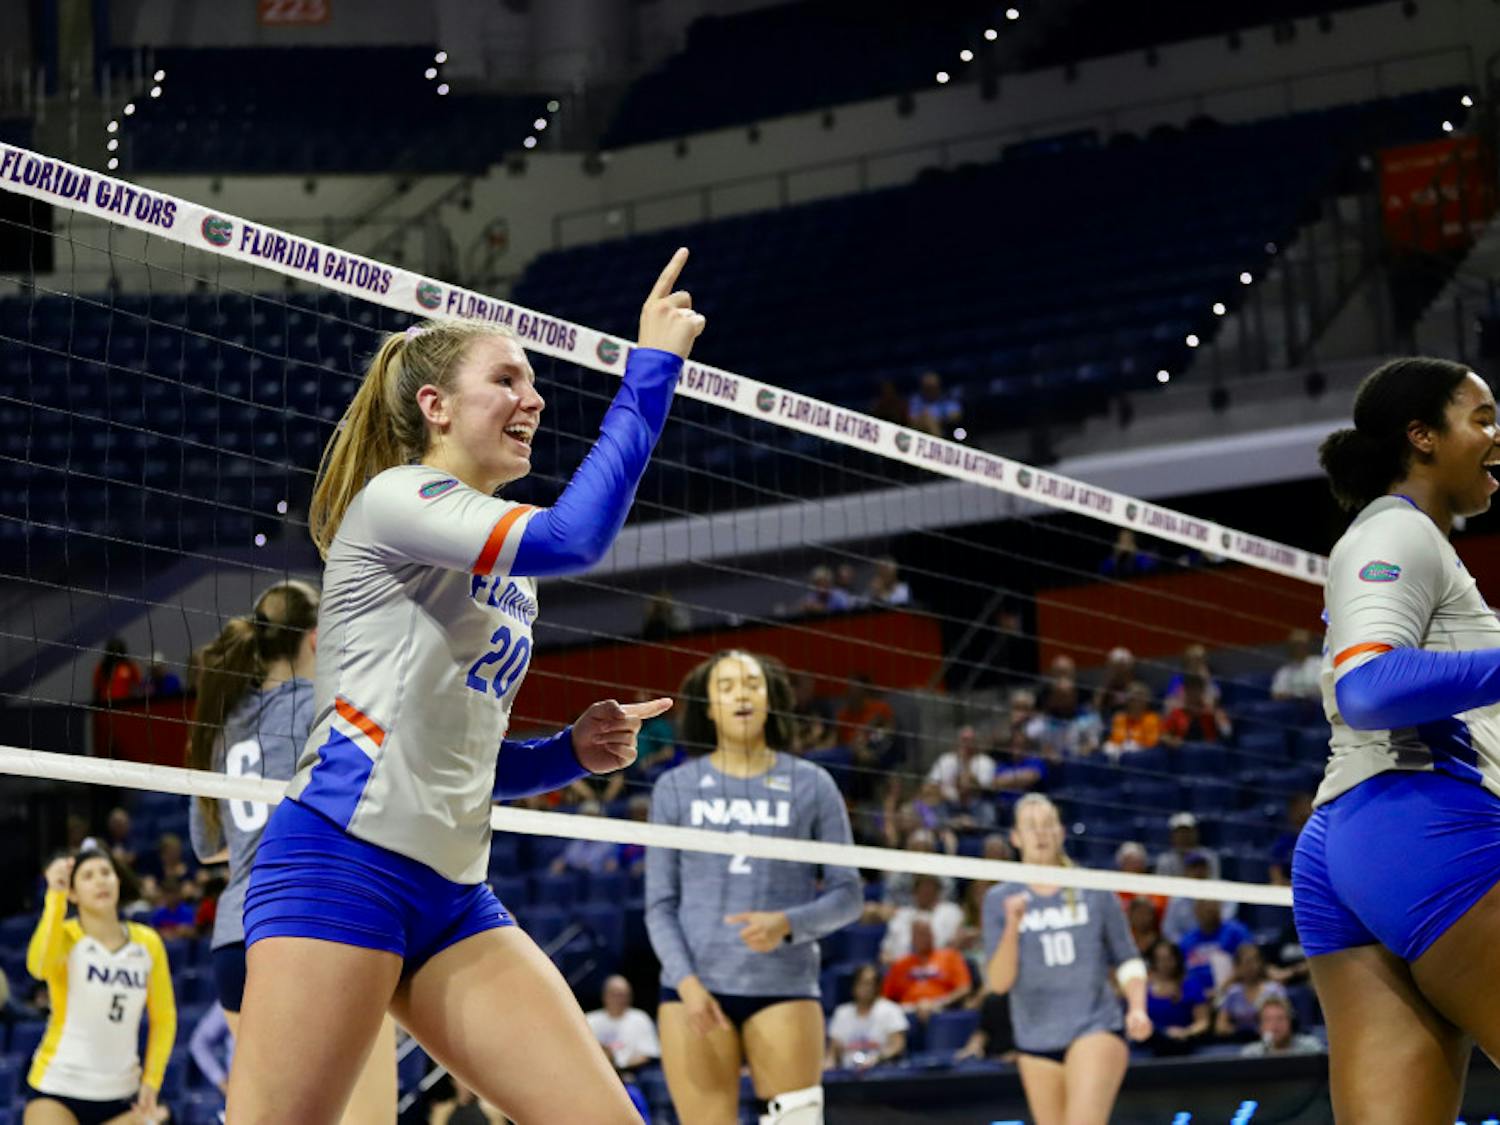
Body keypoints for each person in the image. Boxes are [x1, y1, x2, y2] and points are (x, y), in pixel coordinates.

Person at [226, 249, 704, 1125]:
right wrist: (651, 368)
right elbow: (577, 536)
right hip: (342, 862)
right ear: (435, 407)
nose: (534, 399)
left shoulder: (505, 571)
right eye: (508, 379)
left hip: (453, 894)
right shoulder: (398, 499)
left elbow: (463, 757)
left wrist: (568, 751)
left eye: (534, 383)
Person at [1293, 356, 1500, 1121]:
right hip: (1423, 823)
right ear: (1422, 437)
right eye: (1479, 417)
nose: (1495, 434)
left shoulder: (1413, 543)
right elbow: (1370, 687)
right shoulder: (1395, 531)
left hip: (1348, 845)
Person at [187, 579, 399, 1123]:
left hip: (236, 943)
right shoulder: (329, 709)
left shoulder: (223, 724)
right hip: (315, 928)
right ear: (316, 638)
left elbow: (206, 845)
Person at [647, 649, 862, 1125]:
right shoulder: (675, 789)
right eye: (725, 686)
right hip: (694, 992)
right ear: (707, 705)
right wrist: (687, 983)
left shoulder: (813, 784)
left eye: (752, 684)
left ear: (770, 698)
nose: (740, 694)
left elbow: (849, 894)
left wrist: (790, 923)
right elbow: (660, 905)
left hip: (783, 985)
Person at [983, 794, 1151, 1125]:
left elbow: (1127, 957)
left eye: (1047, 824)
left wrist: (1137, 1007)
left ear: (1061, 832)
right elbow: (999, 983)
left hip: (1094, 1026)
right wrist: (1012, 925)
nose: (1040, 833)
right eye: (1030, 827)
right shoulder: (999, 899)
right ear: (1015, 837)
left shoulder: (1094, 887)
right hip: (1035, 1040)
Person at [25, 848, 176, 1124]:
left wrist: (152, 1081)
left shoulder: (148, 943)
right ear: (74, 893)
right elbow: (38, 966)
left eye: (106, 873)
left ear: (118, 882)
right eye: (88, 876)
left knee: (162, 1116)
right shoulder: (66, 936)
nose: (100, 881)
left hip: (122, 1093)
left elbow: (164, 1019)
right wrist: (55, 896)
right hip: (57, 1087)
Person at [880, 917, 972, 1021]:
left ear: (932, 935)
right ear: (912, 938)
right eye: (918, 934)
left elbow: (964, 989)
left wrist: (939, 1003)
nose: (922, 938)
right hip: (907, 1013)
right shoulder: (900, 964)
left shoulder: (950, 956)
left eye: (925, 933)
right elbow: (885, 997)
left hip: (942, 1011)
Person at [825, 964, 907, 1071]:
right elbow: (833, 1051)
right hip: (848, 1073)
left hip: (881, 1072)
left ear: (878, 986)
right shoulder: (842, 1013)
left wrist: (877, 1058)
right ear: (854, 986)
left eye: (871, 984)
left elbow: (897, 1045)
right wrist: (828, 1065)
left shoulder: (891, 1010)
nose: (867, 988)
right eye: (863, 983)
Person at [1143, 939, 1210, 1056]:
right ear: (1153, 962)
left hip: (1185, 1045)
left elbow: (1203, 1022)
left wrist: (1186, 1032)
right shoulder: (1143, 989)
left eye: (1169, 959)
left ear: (1177, 960)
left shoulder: (1191, 986)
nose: (1165, 963)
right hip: (1150, 1045)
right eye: (1160, 959)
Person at [585, 976, 660, 1076]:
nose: (618, 999)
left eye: (622, 995)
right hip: (595, 1073)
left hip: (631, 1073)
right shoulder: (589, 1020)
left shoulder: (640, 1018)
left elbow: (647, 1054)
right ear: (604, 995)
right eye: (614, 994)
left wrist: (618, 1067)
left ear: (630, 997)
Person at [880, 874, 964, 963]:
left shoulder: (951, 911)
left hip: (938, 966)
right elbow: (885, 952)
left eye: (931, 889)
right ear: (915, 892)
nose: (926, 892)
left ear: (938, 891)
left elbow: (956, 942)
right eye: (922, 888)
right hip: (901, 966)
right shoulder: (902, 915)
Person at [1215, 943, 1287, 1042]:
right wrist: (1242, 1033)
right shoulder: (1233, 992)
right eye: (1247, 962)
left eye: (1255, 961)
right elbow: (1220, 1026)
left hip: (1271, 1039)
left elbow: (1284, 1021)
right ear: (1237, 967)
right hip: (1239, 1041)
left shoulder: (1274, 989)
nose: (1252, 966)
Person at [926, 725, 996, 802]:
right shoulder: (945, 759)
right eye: (964, 739)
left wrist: (965, 763)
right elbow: (931, 785)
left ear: (976, 742)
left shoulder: (985, 762)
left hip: (976, 803)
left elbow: (981, 789)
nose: (967, 743)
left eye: (970, 740)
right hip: (946, 802)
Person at [1239, 995, 1323, 1058]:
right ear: (1260, 1026)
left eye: (1280, 1018)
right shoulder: (1250, 1054)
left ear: (1291, 1022)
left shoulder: (1310, 1048)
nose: (1274, 1024)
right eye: (1268, 1020)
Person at [1160, 674, 1232, 746]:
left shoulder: (1212, 712)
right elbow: (1163, 735)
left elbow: (1227, 734)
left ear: (1202, 691)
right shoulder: (1177, 714)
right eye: (1189, 689)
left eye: (1196, 689)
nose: (1192, 693)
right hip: (1185, 754)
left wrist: (1222, 724)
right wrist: (1170, 741)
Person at [1104, 681, 1162, 757]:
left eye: (1139, 695)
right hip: (1118, 755)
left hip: (1141, 757)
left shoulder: (1152, 719)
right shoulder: (1119, 718)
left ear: (1146, 700)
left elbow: (1151, 745)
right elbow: (1114, 740)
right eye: (1131, 696)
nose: (1135, 699)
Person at [1270, 629, 1323, 701]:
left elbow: (1326, 688)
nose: (1299, 648)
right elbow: (1277, 694)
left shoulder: (1320, 662)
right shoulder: (1284, 670)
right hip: (1294, 707)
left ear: (1308, 645)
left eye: (1302, 644)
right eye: (1296, 645)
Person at [907, 370, 962, 437]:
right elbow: (912, 418)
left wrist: (938, 419)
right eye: (927, 388)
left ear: (938, 387)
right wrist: (925, 418)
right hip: (921, 429)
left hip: (945, 430)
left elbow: (956, 415)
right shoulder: (916, 400)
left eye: (932, 387)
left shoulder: (946, 399)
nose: (930, 391)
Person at [91, 637, 141, 703]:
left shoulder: (130, 666)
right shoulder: (102, 668)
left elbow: (138, 686)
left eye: (118, 651)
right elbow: (97, 690)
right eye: (112, 651)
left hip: (126, 704)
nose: (115, 654)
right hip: (106, 704)